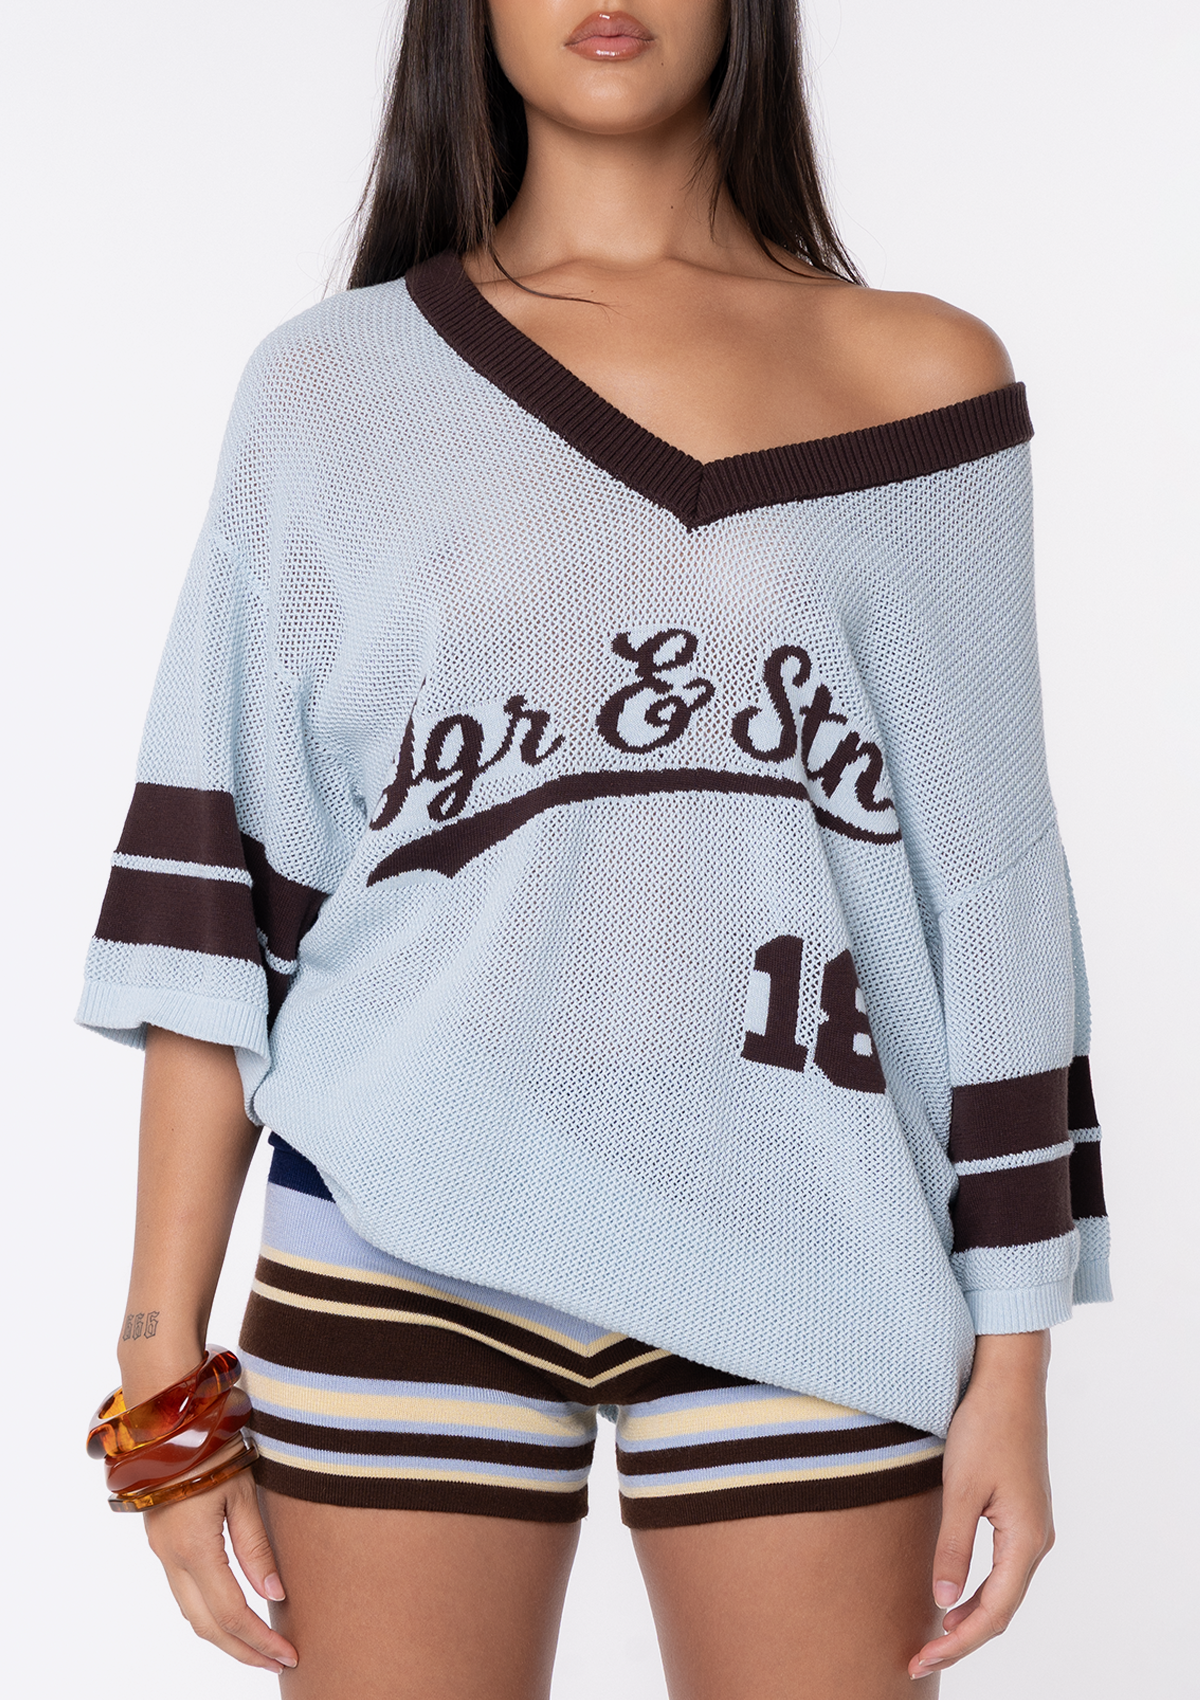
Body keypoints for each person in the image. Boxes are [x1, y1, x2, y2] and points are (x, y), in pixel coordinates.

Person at [78, 3, 1111, 1694]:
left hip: (813, 1232)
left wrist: (1018, 1353)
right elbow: (223, 903)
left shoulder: (923, 374)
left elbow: (989, 892)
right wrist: (157, 1367)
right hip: (399, 1229)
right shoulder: (332, 387)